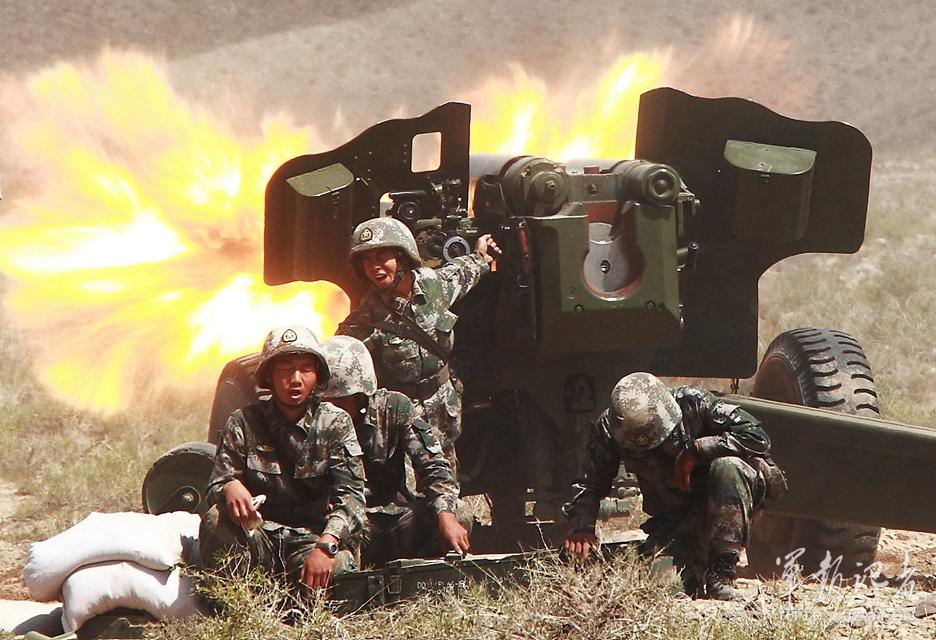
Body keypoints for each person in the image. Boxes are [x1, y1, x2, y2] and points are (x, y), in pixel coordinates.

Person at [562, 372, 786, 600]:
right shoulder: (610, 428)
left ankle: (722, 574)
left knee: (728, 465)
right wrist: (582, 528)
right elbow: (589, 481)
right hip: (678, 518)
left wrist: (698, 450)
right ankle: (695, 566)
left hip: (728, 504)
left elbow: (756, 437)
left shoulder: (694, 403)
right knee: (665, 584)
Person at [199, 325, 366, 592]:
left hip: (312, 540)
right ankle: (238, 597)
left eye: (305, 369)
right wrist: (229, 486)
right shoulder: (243, 422)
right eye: (286, 370)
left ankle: (295, 601)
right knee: (215, 519)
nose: (296, 379)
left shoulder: (335, 423)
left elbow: (352, 498)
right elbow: (214, 486)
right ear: (269, 375)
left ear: (318, 375)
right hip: (259, 535)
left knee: (341, 568)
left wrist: (327, 544)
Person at [336, 217, 498, 480]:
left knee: (446, 489)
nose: (375, 267)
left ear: (402, 257)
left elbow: (467, 269)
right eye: (366, 260)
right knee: (411, 498)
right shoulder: (365, 319)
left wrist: (482, 252)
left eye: (382, 257)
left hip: (443, 414)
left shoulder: (435, 286)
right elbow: (336, 360)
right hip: (402, 425)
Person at [320, 335, 472, 566]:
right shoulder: (315, 420)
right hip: (344, 523)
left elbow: (434, 466)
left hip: (392, 518)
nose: (334, 408)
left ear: (362, 393)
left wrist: (446, 515)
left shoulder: (394, 407)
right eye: (327, 401)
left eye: (342, 400)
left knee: (459, 513)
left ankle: (422, 577)